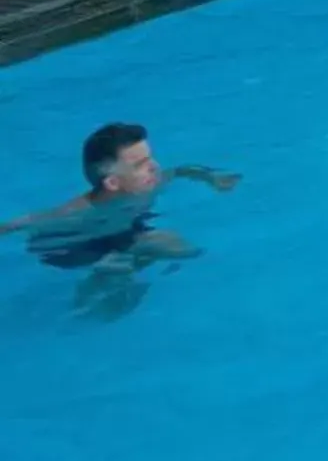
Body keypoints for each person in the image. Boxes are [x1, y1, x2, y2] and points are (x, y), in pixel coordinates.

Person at [2, 123, 237, 319]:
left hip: (121, 232)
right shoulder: (76, 212)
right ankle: (86, 310)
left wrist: (210, 176)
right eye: (140, 165)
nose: (154, 167)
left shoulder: (148, 183)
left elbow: (181, 170)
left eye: (150, 158)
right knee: (124, 271)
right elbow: (24, 223)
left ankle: (129, 260)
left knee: (181, 249)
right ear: (112, 183)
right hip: (74, 244)